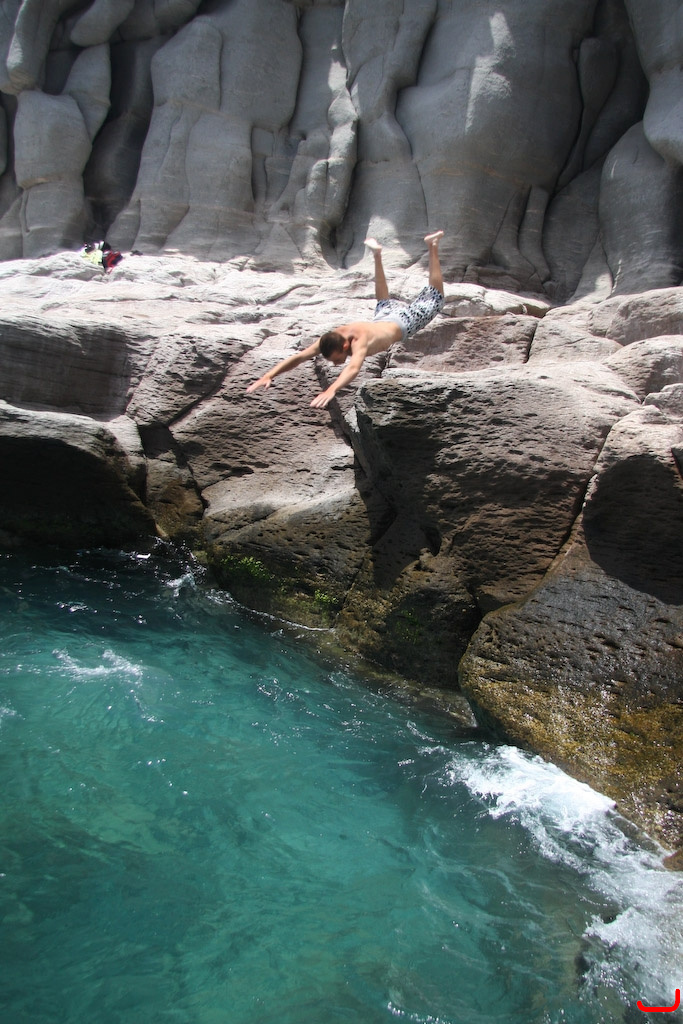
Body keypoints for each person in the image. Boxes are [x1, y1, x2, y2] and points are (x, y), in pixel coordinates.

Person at [246, 231, 445, 408]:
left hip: (402, 323)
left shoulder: (359, 341)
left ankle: (432, 246)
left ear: (344, 346)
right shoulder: (332, 338)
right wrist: (270, 374)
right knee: (383, 301)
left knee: (436, 298)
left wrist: (331, 390)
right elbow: (299, 357)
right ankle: (377, 255)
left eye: (336, 359)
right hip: (382, 318)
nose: (335, 364)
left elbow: (353, 368)